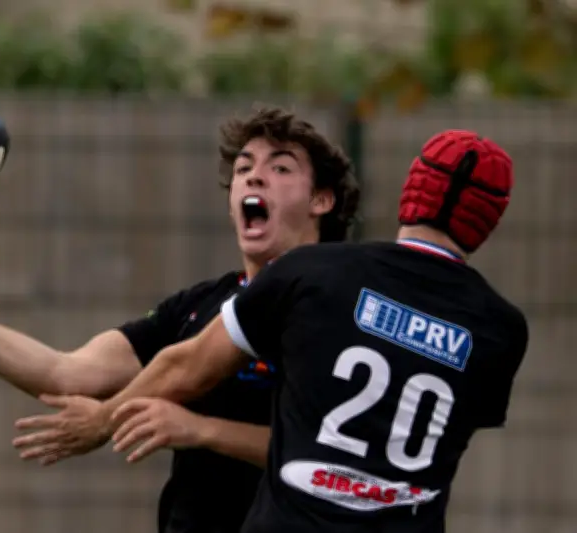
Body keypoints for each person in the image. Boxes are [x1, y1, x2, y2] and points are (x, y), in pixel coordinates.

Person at [40, 130, 528, 533]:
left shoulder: (314, 272)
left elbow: (186, 365)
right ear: (489, 220)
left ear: (412, 190)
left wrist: (103, 422)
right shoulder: (502, 330)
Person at [0, 106, 361, 533]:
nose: (255, 175)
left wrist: (202, 431)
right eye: (244, 167)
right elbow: (64, 373)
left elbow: (337, 462)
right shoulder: (201, 304)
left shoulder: (340, 309)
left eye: (281, 168)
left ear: (322, 199)